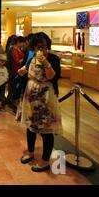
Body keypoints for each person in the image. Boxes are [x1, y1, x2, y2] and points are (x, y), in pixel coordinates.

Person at [19, 32, 62, 172]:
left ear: (47, 45)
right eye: (36, 45)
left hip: (46, 96)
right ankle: (30, 153)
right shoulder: (31, 58)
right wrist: (23, 71)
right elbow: (28, 70)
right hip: (31, 94)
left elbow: (52, 77)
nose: (39, 48)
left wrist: (45, 62)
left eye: (42, 45)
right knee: (30, 126)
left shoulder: (54, 58)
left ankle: (45, 160)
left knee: (46, 129)